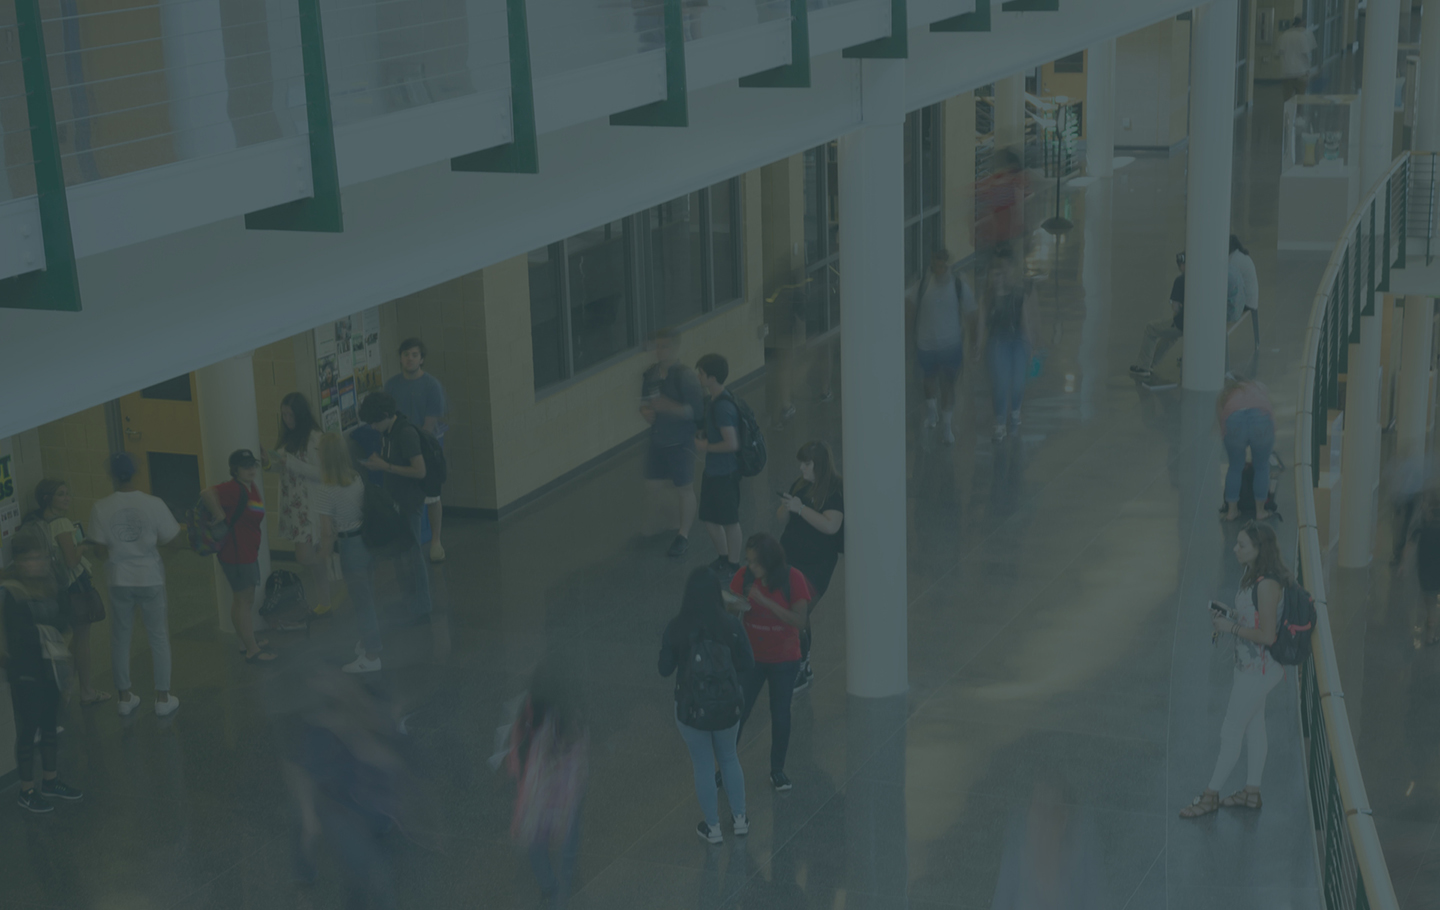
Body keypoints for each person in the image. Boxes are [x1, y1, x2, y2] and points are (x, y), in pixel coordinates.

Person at [1181, 521, 1290, 817]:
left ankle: (1210, 795)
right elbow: (1252, 619)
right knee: (1255, 727)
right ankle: (1251, 793)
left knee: (1231, 729)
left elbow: (1267, 635)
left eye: (1242, 545)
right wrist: (1229, 614)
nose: (1234, 548)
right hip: (1251, 667)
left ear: (1258, 550)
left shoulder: (1267, 584)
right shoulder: (1253, 574)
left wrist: (1229, 627)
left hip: (1259, 670)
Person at [659, 568, 754, 844]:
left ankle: (712, 828)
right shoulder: (731, 625)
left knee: (702, 765)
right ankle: (739, 819)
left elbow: (664, 669)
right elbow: (748, 664)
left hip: (691, 711)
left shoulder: (676, 627)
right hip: (728, 708)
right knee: (729, 758)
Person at [89, 452, 188, 710]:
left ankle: (124, 697)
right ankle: (163, 698)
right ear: (136, 473)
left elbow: (99, 551)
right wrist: (155, 556)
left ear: (111, 474)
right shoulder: (153, 503)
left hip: (118, 580)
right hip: (149, 577)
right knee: (158, 636)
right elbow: (176, 540)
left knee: (120, 638)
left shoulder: (101, 506)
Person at [2, 535, 84, 812]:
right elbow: (18, 631)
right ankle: (26, 789)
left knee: (50, 723)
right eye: (30, 559)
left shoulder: (52, 585)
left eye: (41, 558)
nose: (37, 564)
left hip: (52, 665)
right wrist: (44, 628)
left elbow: (64, 617)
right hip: (25, 669)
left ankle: (50, 780)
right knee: (29, 728)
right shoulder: (10, 590)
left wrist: (45, 628)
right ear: (19, 562)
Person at [728, 533, 812, 791]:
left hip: (784, 659)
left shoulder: (793, 579)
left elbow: (800, 622)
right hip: (751, 658)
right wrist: (737, 606)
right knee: (737, 714)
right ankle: (726, 766)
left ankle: (777, 770)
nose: (750, 566)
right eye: (748, 560)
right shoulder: (743, 577)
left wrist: (765, 602)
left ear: (770, 562)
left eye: (755, 562)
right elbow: (730, 609)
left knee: (780, 715)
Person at [506, 662, 588, 907]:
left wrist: (518, 775)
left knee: (536, 839)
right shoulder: (573, 710)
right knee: (570, 832)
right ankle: (566, 882)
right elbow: (581, 748)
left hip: (536, 789)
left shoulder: (530, 709)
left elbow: (517, 746)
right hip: (568, 789)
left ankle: (549, 886)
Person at [26, 479, 108, 705]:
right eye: (61, 494)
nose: (67, 498)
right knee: (82, 640)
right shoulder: (62, 524)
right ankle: (86, 691)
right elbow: (72, 561)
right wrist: (83, 545)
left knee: (76, 638)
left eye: (67, 494)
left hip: (59, 589)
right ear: (47, 499)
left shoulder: (40, 522)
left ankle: (65, 689)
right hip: (76, 586)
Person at [358, 392, 433, 623]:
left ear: (386, 415)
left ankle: (421, 606)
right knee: (402, 555)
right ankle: (409, 601)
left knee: (413, 555)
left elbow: (420, 471)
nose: (372, 426)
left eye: (374, 421)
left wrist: (386, 466)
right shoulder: (388, 432)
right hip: (396, 501)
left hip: (409, 501)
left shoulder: (406, 433)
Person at [777, 441, 843, 693]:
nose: (801, 468)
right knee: (794, 611)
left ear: (819, 465)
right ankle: (801, 663)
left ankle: (801, 666)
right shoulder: (800, 483)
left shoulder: (834, 490)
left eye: (806, 464)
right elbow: (782, 518)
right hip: (790, 557)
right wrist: (787, 506)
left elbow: (831, 525)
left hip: (817, 564)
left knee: (798, 612)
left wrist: (801, 508)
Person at [315, 432, 382, 673]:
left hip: (349, 548)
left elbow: (326, 532)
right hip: (366, 542)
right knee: (367, 596)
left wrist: (323, 555)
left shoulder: (326, 489)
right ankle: (365, 642)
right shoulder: (355, 478)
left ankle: (372, 657)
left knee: (362, 602)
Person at [202, 449, 276, 663]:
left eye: (252, 465)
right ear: (235, 469)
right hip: (237, 554)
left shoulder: (249, 487)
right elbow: (206, 493)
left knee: (242, 600)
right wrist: (219, 513)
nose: (251, 469)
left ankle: (245, 641)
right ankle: (252, 649)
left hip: (245, 551)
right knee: (244, 601)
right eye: (245, 466)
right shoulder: (232, 489)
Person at [265, 392, 331, 619]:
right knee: (307, 557)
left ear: (300, 415)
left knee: (305, 557)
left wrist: (291, 463)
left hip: (309, 506)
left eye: (290, 415)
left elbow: (323, 473)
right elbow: (283, 466)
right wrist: (269, 463)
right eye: (283, 415)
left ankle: (326, 565)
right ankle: (325, 601)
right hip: (293, 506)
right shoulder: (288, 437)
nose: (287, 419)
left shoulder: (315, 438)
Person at [640, 328, 704, 557]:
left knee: (684, 488)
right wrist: (645, 411)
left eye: (665, 346)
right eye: (658, 346)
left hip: (680, 442)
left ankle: (683, 534)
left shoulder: (685, 376)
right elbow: (644, 402)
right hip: (658, 441)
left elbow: (697, 410)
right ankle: (673, 521)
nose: (660, 351)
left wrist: (671, 408)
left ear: (675, 348)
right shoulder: (650, 375)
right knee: (653, 487)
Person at [385, 338, 448, 563]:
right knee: (404, 496)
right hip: (401, 449)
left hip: (427, 448)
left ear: (421, 359)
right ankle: (408, 541)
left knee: (431, 497)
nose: (409, 359)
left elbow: (429, 424)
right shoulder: (391, 385)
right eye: (405, 354)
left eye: (414, 355)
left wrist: (414, 449)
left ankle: (436, 541)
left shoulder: (432, 386)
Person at [911, 248, 977, 444]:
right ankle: (932, 412)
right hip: (926, 344)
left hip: (950, 345)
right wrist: (909, 339)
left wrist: (974, 342)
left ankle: (947, 425)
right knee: (928, 382)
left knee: (948, 385)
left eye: (943, 265)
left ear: (949, 265)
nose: (939, 269)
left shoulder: (959, 286)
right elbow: (910, 308)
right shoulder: (922, 285)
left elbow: (972, 313)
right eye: (936, 264)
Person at [979, 243, 1037, 441]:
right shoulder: (988, 298)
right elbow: (981, 322)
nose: (999, 278)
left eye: (1002, 274)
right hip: (998, 342)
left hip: (1017, 342)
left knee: (1019, 381)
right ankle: (1000, 422)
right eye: (995, 274)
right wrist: (978, 347)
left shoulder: (1018, 294)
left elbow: (1024, 322)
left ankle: (1015, 413)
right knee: (1001, 383)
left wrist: (1029, 346)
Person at [696, 353, 743, 577]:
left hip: (725, 473)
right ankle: (723, 557)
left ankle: (734, 564)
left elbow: (731, 443)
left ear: (712, 378)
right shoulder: (714, 401)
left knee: (730, 522)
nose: (698, 377)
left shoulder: (722, 407)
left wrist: (707, 446)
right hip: (713, 471)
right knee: (709, 518)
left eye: (702, 374)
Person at [1217, 378, 1276, 522]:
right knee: (1261, 467)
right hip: (1261, 418)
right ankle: (1260, 511)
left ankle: (1232, 511)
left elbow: (1220, 423)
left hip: (1233, 418)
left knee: (1235, 467)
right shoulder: (1258, 386)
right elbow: (1268, 406)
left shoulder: (1226, 394)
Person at [1130, 252, 1186, 379]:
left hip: (1183, 323)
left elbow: (1175, 307)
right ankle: (1151, 363)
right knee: (1169, 336)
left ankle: (1144, 367)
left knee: (1151, 328)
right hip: (1200, 324)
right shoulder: (1201, 276)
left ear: (1182, 264)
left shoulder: (1181, 279)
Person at [1407, 489, 1440, 645]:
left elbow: (1412, 541)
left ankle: (1431, 633)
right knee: (1431, 603)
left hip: (1427, 570)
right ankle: (1431, 632)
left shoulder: (1424, 525)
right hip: (1433, 569)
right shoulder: (1428, 525)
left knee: (1430, 603)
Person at [1228, 235, 1260, 348]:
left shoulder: (1233, 260)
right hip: (1252, 299)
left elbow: (1229, 284)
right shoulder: (1240, 256)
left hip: (1246, 302)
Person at [1278, 15, 1317, 100]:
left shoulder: (1284, 35)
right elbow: (1307, 55)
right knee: (1300, 98)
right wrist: (1308, 69)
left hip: (1287, 73)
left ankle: (1288, 113)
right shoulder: (1302, 36)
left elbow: (1280, 53)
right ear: (1301, 22)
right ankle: (1298, 113)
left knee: (1287, 98)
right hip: (1301, 73)